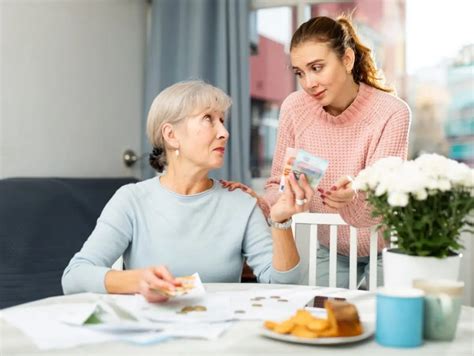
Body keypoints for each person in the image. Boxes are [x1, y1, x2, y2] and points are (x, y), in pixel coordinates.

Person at [62, 80, 314, 302]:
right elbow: (74, 276)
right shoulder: (132, 200)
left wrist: (280, 221)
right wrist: (134, 281)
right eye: (208, 119)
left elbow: (284, 287)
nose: (224, 133)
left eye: (222, 121)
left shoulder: (241, 204)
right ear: (171, 135)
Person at [222, 15, 411, 289]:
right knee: (318, 315)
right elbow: (282, 184)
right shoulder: (295, 108)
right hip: (332, 247)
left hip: (386, 245)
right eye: (300, 72)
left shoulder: (392, 112)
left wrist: (353, 197)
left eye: (317, 67)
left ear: (347, 60)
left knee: (381, 324)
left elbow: (383, 201)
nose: (309, 83)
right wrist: (260, 202)